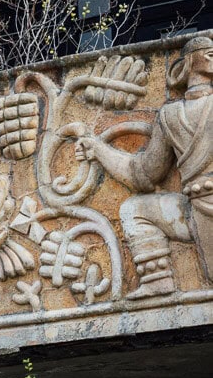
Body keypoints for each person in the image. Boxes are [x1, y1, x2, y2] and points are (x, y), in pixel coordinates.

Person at [75, 36, 213, 299]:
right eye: (208, 52)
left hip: (197, 211)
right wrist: (98, 149)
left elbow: (143, 176)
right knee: (133, 206)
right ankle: (158, 282)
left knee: (135, 209)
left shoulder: (171, 115)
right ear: (189, 63)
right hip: (196, 211)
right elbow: (143, 176)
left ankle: (157, 280)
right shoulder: (170, 115)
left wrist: (98, 150)